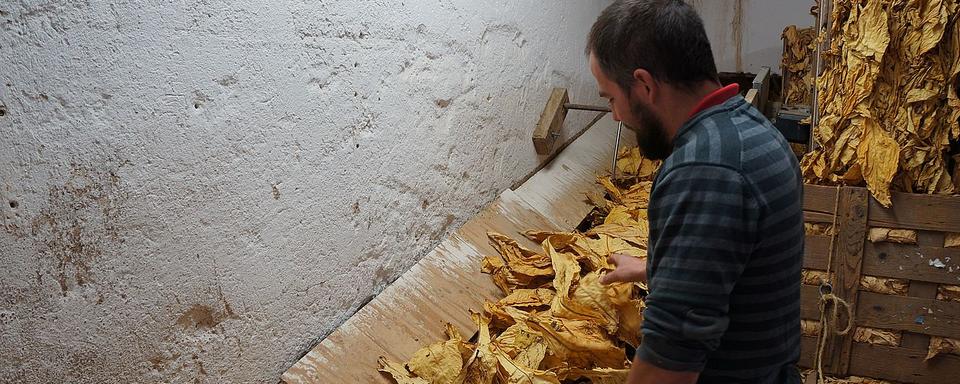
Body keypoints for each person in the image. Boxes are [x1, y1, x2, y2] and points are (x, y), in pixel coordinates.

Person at [586, 1, 805, 383]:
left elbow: (669, 362)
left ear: (645, 85)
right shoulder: (752, 129)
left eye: (610, 98)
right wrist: (657, 269)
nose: (616, 115)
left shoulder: (704, 171)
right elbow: (739, 261)